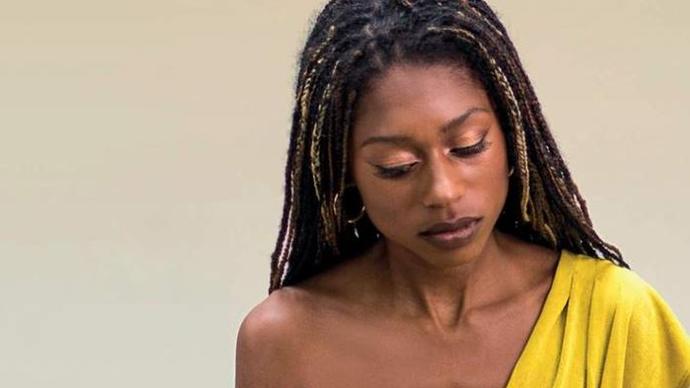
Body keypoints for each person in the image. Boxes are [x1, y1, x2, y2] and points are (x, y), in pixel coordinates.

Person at [236, 0, 690, 386]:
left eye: (468, 146)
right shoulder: (288, 343)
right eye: (397, 167)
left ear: (513, 136)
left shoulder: (613, 320)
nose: (443, 190)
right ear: (347, 173)